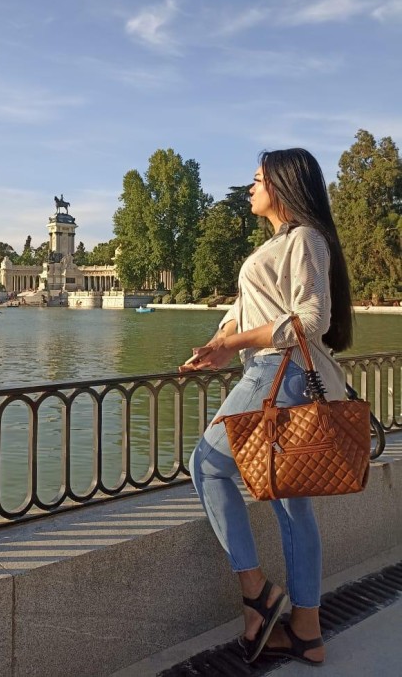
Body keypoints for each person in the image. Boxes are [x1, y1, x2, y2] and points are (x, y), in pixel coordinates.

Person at [180, 148, 352, 667]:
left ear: (280, 185)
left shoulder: (304, 238)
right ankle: (307, 631)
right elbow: (245, 309)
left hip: (281, 373)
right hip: (284, 373)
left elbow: (311, 319)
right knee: (289, 502)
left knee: (207, 466)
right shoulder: (279, 244)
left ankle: (257, 593)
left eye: (257, 179)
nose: (250, 188)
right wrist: (218, 342)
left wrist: (235, 345)